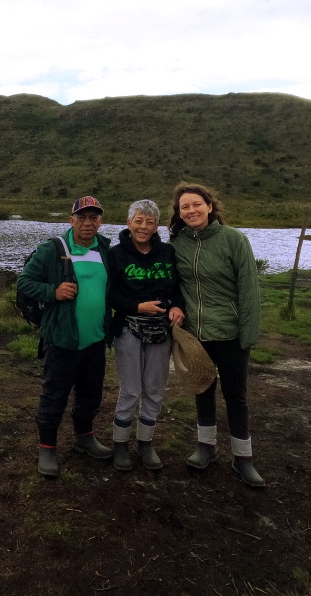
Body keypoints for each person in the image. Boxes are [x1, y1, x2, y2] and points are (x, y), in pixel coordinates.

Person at [169, 183, 264, 487]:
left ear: (209, 207)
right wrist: (176, 308)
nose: (191, 210)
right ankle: (205, 448)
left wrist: (247, 334)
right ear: (179, 213)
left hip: (231, 333)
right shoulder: (177, 244)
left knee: (236, 396)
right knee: (203, 388)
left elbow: (249, 289)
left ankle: (243, 459)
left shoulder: (233, 240)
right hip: (197, 334)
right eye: (185, 207)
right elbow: (173, 286)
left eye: (197, 204)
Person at [17, 196, 114, 477]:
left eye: (94, 217)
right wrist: (53, 292)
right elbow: (25, 281)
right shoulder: (53, 249)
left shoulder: (105, 249)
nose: (88, 223)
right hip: (61, 339)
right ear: (71, 221)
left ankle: (85, 437)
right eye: (82, 217)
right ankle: (47, 447)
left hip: (95, 339)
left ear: (100, 222)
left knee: (91, 393)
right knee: (54, 395)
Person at [108, 200, 185, 472]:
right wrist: (136, 306)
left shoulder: (167, 252)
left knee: (154, 388)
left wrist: (177, 306)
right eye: (138, 221)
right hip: (129, 327)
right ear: (128, 224)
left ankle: (145, 443)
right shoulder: (115, 254)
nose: (143, 227)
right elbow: (111, 294)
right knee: (130, 389)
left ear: (156, 226)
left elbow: (178, 287)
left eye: (149, 222)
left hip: (161, 331)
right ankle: (120, 445)